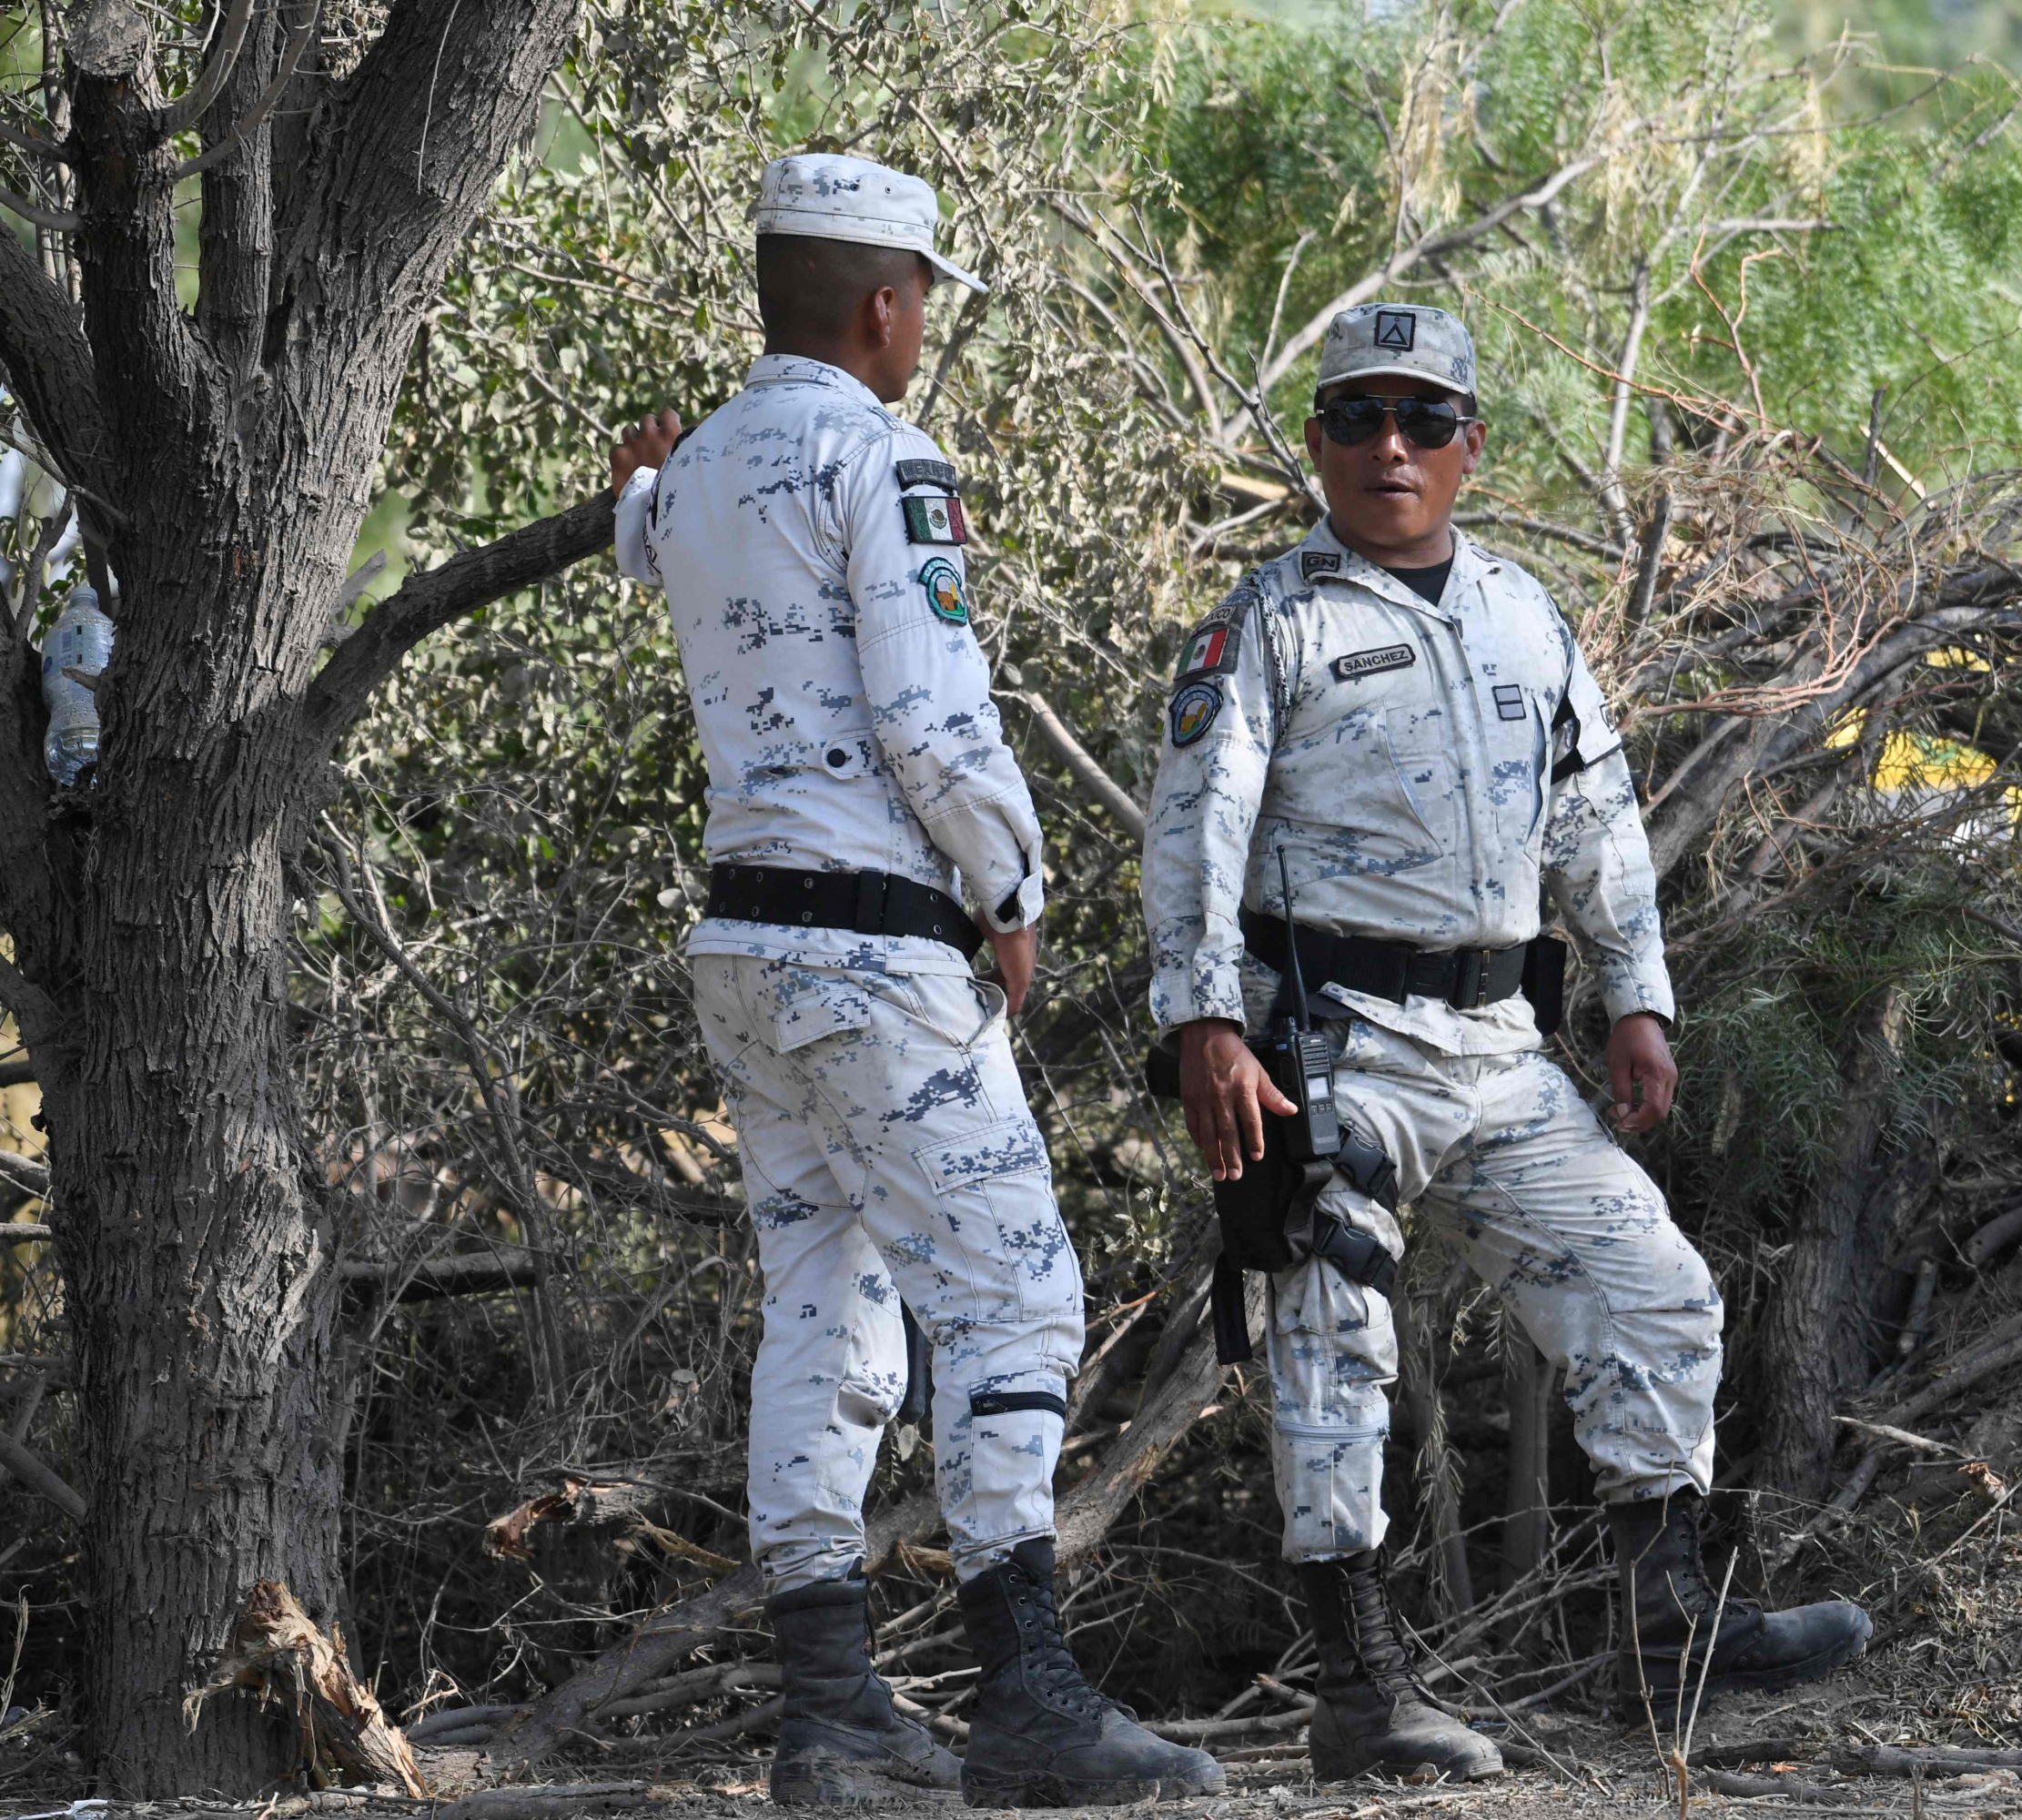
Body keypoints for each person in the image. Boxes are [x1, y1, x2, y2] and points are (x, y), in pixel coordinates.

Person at [1140, 301, 1873, 1781]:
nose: (1389, 447)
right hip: (1331, 1042)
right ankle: (1359, 1691)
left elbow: (1594, 815)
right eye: (1357, 419)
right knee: (1332, 1319)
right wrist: (1203, 1022)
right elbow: (1197, 830)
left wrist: (1636, 996)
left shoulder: (1526, 613)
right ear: (1318, 444)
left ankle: (1668, 1639)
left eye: (1421, 420)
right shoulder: (1272, 618)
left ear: (1472, 445)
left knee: (1651, 1283)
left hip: (1495, 1045)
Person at [607, 152, 1222, 1810]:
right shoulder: (885, 456)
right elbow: (933, 715)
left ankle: (833, 1710)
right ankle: (1026, 1699)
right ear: (887, 306)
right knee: (1013, 1297)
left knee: (825, 1298)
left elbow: (652, 555)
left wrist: (639, 490)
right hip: (879, 947)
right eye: (926, 300)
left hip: (744, 948)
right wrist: (1011, 885)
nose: (927, 329)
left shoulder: (703, 468)